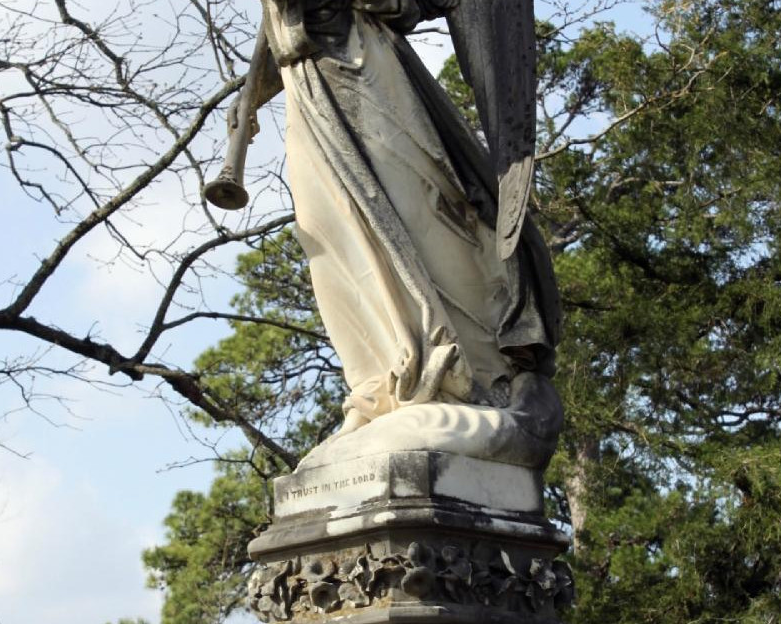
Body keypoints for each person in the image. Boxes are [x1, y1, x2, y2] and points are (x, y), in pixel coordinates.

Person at [223, 0, 562, 468]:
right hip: (306, 85)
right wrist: (254, 92)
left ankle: (457, 372)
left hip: (360, 68)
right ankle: (375, 388)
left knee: (417, 217)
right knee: (330, 239)